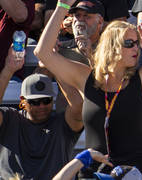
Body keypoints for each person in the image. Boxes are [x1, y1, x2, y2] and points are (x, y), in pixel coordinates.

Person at [35, 0, 142, 177]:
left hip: (141, 171)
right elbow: (43, 53)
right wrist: (62, 6)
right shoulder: (87, 78)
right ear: (112, 47)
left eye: (137, 43)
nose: (136, 48)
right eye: (129, 43)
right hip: (97, 171)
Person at [0, 49, 83, 179]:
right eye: (35, 102)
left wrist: (54, 66)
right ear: (23, 101)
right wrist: (8, 70)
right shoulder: (10, 118)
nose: (41, 106)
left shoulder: (62, 125)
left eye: (46, 100)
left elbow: (78, 106)